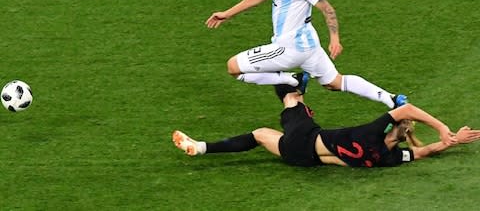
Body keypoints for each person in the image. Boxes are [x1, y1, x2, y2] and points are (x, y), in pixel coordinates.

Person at [205, 0, 406, 109]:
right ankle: (391, 99)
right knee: (334, 82)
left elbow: (327, 9)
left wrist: (335, 38)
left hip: (289, 48)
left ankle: (293, 79)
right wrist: (227, 13)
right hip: (308, 45)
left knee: (234, 68)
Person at [172, 84, 480, 168]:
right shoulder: (388, 158)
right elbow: (423, 153)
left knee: (290, 96)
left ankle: (200, 148)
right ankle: (200, 147)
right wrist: (454, 141)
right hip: (302, 159)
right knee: (262, 134)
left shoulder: (374, 132)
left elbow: (406, 109)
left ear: (395, 129)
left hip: (306, 138)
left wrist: (443, 128)